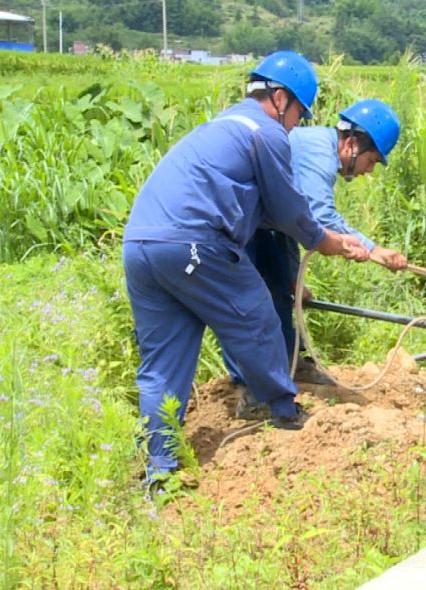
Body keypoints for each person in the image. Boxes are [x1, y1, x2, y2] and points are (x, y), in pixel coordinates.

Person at [122, 51, 369, 481]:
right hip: (193, 242)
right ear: (279, 98)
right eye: (297, 114)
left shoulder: (222, 125)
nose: (295, 126)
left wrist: (312, 250)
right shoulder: (266, 132)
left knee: (163, 363)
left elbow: (266, 212)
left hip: (141, 244)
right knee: (255, 312)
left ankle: (158, 468)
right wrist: (326, 241)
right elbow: (291, 210)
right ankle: (283, 408)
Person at [220, 98, 406, 415]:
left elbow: (292, 224)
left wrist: (292, 277)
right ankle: (250, 385)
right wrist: (372, 249)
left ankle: (290, 365)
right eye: (372, 161)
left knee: (280, 293)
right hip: (240, 223)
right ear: (351, 144)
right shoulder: (318, 152)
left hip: (266, 227)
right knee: (250, 303)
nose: (368, 171)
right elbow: (319, 215)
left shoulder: (318, 147)